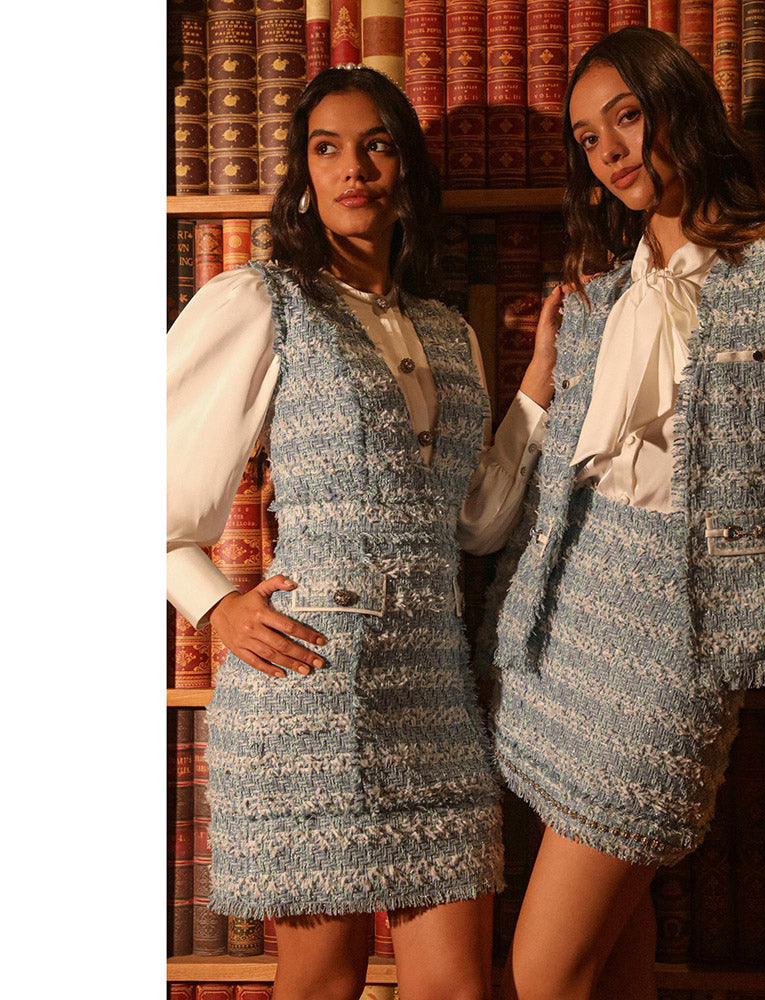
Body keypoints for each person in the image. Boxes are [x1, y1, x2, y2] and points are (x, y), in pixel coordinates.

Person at [167, 66, 559, 1000]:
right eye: (327, 148)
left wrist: (540, 380)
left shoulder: (447, 330)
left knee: (458, 986)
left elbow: (475, 524)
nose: (355, 169)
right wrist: (215, 605)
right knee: (320, 982)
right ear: (304, 174)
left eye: (377, 146)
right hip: (307, 677)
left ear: (405, 168)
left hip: (435, 685)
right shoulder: (262, 301)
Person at [485, 27, 765, 1000]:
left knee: (542, 968)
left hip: (684, 633)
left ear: (681, 105)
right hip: (564, 620)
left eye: (627, 117)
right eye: (588, 138)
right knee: (607, 952)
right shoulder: (599, 298)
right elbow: (554, 481)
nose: (611, 151)